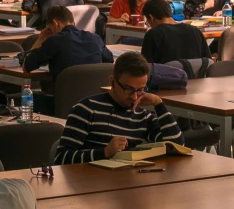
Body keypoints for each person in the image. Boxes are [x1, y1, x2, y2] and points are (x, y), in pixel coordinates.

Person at [55, 53, 186, 163]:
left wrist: (158, 104)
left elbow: (176, 146)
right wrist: (105, 152)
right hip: (90, 185)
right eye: (128, 89)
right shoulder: (86, 109)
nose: (135, 97)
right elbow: (61, 158)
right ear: (112, 81)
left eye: (140, 90)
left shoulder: (143, 116)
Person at [138, 0, 211, 67]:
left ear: (151, 17)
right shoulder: (195, 31)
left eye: (148, 22)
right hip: (198, 78)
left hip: (166, 78)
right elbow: (208, 62)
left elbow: (146, 68)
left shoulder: (153, 34)